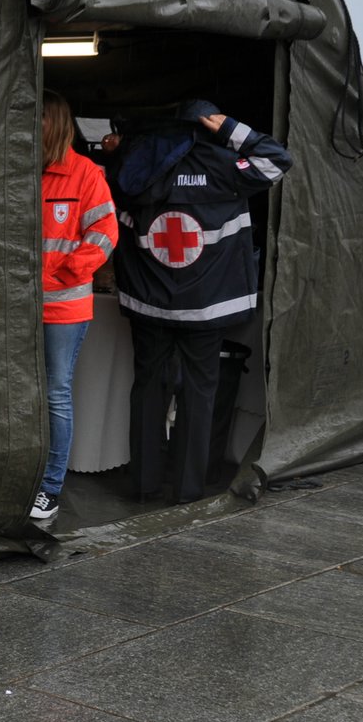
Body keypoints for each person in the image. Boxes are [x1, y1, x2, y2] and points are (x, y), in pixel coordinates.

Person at [109, 98, 292, 504]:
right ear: (206, 126)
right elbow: (277, 159)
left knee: (147, 391)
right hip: (207, 307)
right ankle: (189, 491)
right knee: (199, 395)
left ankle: (143, 484)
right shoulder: (224, 167)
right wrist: (230, 128)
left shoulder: (135, 167)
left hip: (148, 303)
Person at [31, 90, 119, 521]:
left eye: (39, 118)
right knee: (29, 394)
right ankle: (26, 480)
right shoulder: (23, 170)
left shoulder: (84, 174)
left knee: (56, 395)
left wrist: (70, 271)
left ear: (56, 122)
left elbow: (105, 230)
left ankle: (50, 488)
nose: (32, 125)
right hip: (21, 307)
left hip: (63, 308)